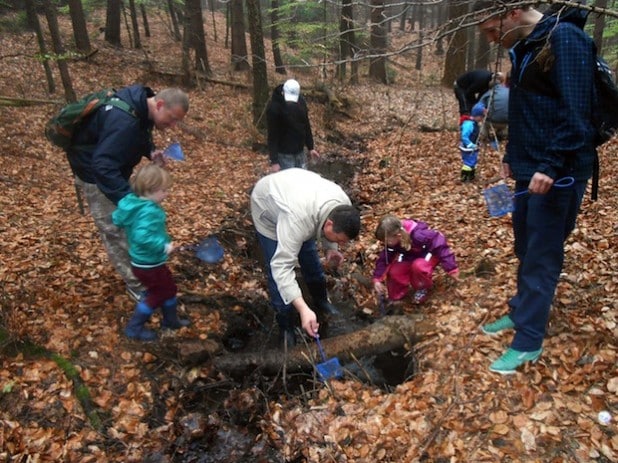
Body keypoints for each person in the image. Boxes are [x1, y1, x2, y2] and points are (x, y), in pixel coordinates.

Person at [474, 2, 595, 374]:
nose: (492, 40)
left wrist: (550, 165)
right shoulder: (526, 47)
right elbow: (526, 109)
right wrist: (513, 154)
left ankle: (527, 341)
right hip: (530, 167)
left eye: (493, 30)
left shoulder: (566, 40)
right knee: (525, 246)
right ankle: (522, 310)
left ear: (511, 12)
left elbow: (579, 115)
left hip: (559, 172)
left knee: (542, 255)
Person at [66, 85, 189, 301]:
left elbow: (139, 133)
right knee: (116, 230)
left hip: (113, 171)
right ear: (159, 104)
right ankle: (138, 285)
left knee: (133, 223)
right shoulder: (123, 122)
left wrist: (150, 150)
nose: (172, 126)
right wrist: (128, 200)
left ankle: (144, 273)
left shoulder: (142, 105)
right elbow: (102, 167)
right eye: (171, 119)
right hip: (95, 177)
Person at [250, 168, 361, 347]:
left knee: (310, 258)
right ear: (329, 224)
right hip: (267, 206)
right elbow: (281, 267)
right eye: (339, 240)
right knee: (276, 269)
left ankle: (321, 301)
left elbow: (332, 231)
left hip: (298, 194)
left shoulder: (343, 205)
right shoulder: (298, 220)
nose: (340, 244)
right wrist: (302, 309)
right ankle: (286, 324)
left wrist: (330, 248)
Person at [112, 164, 189, 341]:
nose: (166, 194)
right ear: (151, 190)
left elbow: (117, 218)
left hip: (143, 261)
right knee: (159, 293)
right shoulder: (148, 211)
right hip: (149, 263)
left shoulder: (133, 203)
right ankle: (134, 329)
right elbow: (142, 237)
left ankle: (170, 320)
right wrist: (163, 247)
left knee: (168, 288)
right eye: (164, 190)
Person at [372, 215, 459, 305]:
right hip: (409, 257)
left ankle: (422, 288)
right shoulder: (392, 244)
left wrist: (451, 268)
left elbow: (440, 246)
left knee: (418, 266)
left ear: (398, 236)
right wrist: (377, 279)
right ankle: (396, 297)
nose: (386, 244)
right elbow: (384, 259)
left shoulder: (418, 235)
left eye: (387, 241)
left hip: (427, 256)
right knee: (395, 271)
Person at [266, 79, 319, 172]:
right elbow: (272, 135)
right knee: (288, 184)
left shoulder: (301, 102)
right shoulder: (274, 107)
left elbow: (306, 124)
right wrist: (274, 161)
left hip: (300, 152)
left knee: (301, 182)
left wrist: (311, 147)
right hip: (284, 155)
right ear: (283, 92)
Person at [459, 103, 485, 182]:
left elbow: (475, 135)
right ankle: (465, 177)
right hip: (467, 148)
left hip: (473, 147)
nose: (482, 118)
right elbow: (464, 136)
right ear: (476, 115)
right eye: (481, 116)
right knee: (468, 162)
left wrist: (477, 143)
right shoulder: (469, 124)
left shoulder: (475, 124)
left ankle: (471, 176)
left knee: (473, 161)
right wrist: (470, 144)